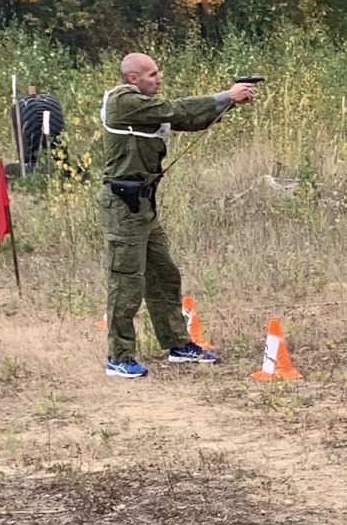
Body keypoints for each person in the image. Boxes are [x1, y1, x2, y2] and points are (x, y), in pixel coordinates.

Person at [98, 52, 256, 378]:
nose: (159, 79)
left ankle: (178, 345)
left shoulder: (145, 107)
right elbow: (176, 110)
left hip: (142, 205)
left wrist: (229, 102)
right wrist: (226, 95)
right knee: (126, 282)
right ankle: (118, 357)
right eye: (152, 74)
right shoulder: (124, 102)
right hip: (123, 206)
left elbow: (187, 119)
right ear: (133, 79)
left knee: (164, 274)